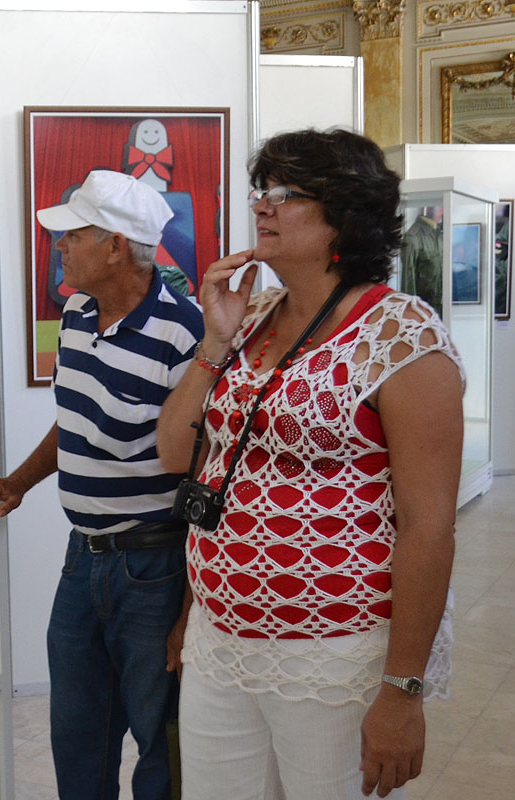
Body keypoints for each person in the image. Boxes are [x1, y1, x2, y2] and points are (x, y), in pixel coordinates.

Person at [156, 128, 464, 800]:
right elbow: (179, 456)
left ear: (344, 215)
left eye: (285, 193)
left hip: (334, 652)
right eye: (261, 190)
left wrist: (402, 691)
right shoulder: (252, 318)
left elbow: (428, 527)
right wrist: (214, 339)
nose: (262, 206)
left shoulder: (400, 336)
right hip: (220, 641)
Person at [0, 169, 203, 800]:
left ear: (116, 246)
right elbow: (76, 420)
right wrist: (16, 482)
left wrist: (190, 610)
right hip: (83, 559)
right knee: (77, 735)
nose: (59, 245)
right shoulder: (76, 313)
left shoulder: (187, 333)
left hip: (155, 570)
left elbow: (206, 477)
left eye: (73, 234)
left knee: (160, 743)